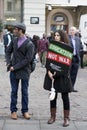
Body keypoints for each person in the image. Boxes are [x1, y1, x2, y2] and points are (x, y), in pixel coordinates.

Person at [43, 30, 73, 127]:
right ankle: (52, 117)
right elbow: (49, 60)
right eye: (55, 35)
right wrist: (49, 72)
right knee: (53, 97)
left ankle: (66, 118)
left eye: (58, 35)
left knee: (65, 97)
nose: (56, 37)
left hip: (63, 77)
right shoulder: (52, 46)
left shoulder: (67, 49)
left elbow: (68, 65)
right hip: (52, 76)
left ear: (62, 37)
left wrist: (58, 73)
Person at [5, 23, 34, 120]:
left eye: (15, 29)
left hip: (25, 71)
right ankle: (13, 111)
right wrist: (9, 63)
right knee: (14, 91)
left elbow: (28, 60)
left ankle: (25, 111)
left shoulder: (29, 44)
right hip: (13, 71)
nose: (14, 31)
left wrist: (15, 67)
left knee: (24, 91)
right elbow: (8, 52)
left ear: (21, 30)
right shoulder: (14, 40)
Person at [69, 26, 83, 92]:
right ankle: (67, 87)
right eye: (71, 30)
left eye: (73, 30)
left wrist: (78, 54)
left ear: (75, 32)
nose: (72, 31)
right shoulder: (67, 38)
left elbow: (81, 47)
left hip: (76, 58)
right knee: (68, 73)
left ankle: (72, 87)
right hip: (69, 58)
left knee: (74, 74)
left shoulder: (78, 39)